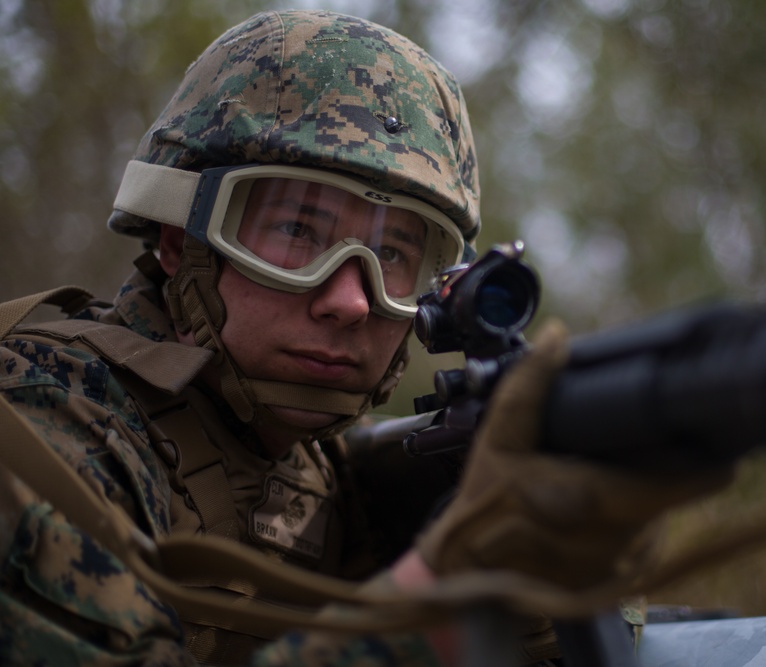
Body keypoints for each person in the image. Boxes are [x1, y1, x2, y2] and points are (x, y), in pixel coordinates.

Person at [0, 9, 725, 666]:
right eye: (294, 231)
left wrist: (547, 587)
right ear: (176, 241)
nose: (350, 298)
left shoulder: (327, 476)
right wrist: (437, 602)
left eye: (393, 256)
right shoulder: (40, 430)